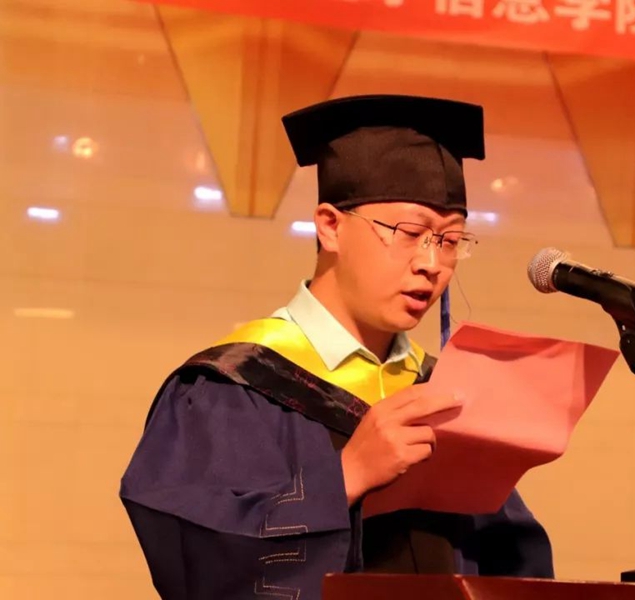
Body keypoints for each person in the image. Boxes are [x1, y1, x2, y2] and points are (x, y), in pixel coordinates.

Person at [119, 94, 554, 600]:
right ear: (330, 226)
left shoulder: (441, 391)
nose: (432, 264)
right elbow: (195, 560)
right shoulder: (233, 385)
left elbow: (511, 566)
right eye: (411, 232)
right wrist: (346, 476)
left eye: (451, 240)